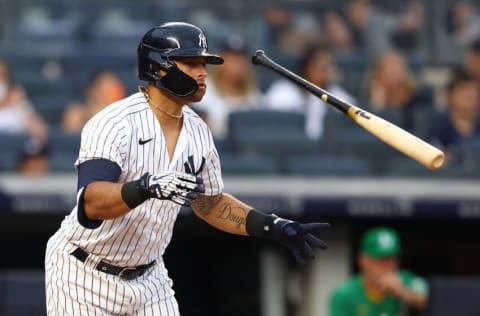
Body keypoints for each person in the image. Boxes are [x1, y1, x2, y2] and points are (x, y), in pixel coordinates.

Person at [44, 22, 330, 315]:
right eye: (191, 62)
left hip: (148, 279)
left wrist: (270, 225)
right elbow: (91, 201)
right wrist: (147, 187)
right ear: (159, 67)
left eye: (203, 63)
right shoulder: (115, 122)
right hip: (83, 272)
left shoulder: (199, 131)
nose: (203, 71)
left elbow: (210, 203)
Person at [263, 44, 356, 140]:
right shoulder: (283, 91)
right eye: (318, 63)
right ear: (306, 66)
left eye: (329, 64)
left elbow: (353, 112)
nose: (324, 68)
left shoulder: (338, 95)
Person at [329, 227, 428, 316]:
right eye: (382, 259)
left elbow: (437, 303)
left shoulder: (406, 279)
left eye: (393, 258)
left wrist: (403, 292)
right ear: (362, 261)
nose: (390, 265)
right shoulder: (344, 294)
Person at [194, 36, 262, 139]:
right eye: (230, 58)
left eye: (240, 59)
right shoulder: (203, 88)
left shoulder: (253, 92)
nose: (236, 65)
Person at [428, 68, 480, 165]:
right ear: (450, 95)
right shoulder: (438, 128)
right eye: (464, 89)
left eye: (474, 89)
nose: (470, 94)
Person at [61, 69, 127, 134]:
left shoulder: (125, 118)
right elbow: (70, 139)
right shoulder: (76, 114)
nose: (113, 92)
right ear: (92, 90)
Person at [0, 59, 49, 144]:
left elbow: (40, 130)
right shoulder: (7, 99)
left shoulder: (17, 101)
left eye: (3, 75)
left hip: (13, 148)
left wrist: (18, 103)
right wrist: (4, 101)